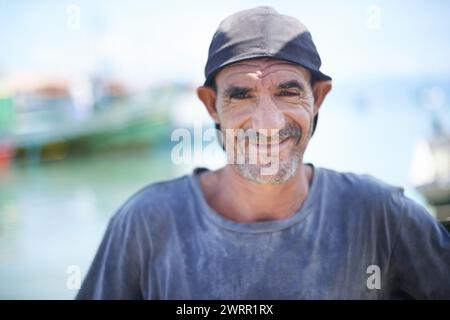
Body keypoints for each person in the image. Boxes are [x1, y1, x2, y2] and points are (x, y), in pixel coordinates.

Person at [76, 6, 450, 299]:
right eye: (241, 95)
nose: (268, 122)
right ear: (211, 104)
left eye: (288, 92)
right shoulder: (146, 224)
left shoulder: (379, 215)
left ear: (317, 99)